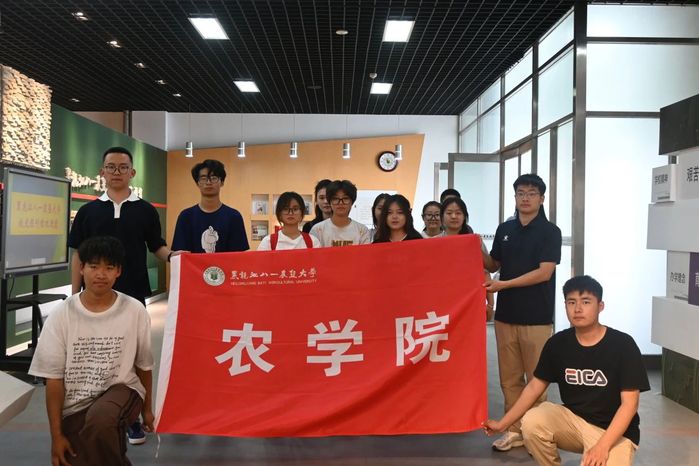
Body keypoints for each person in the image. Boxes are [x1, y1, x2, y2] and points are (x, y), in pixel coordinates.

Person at [68, 146, 179, 444]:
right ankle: (95, 415)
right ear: (102, 171)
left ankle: (133, 418)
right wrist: (74, 294)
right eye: (111, 167)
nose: (116, 172)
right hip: (92, 298)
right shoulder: (88, 212)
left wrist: (175, 258)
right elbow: (78, 255)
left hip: (133, 294)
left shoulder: (145, 210)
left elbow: (156, 246)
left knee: (134, 357)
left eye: (122, 167)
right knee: (95, 357)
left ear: (132, 172)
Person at [483, 275, 650, 466]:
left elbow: (629, 405)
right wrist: (503, 424)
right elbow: (534, 388)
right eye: (571, 302)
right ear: (565, 306)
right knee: (533, 421)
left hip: (615, 432)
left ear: (600, 306)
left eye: (586, 302)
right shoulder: (558, 344)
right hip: (574, 423)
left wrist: (602, 446)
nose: (577, 309)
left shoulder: (622, 345)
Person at [29, 236, 154, 466]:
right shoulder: (61, 315)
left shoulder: (134, 311)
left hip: (123, 390)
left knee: (101, 421)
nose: (101, 274)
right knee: (77, 458)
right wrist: (56, 436)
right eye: (94, 267)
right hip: (76, 406)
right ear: (81, 268)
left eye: (109, 268)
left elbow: (144, 366)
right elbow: (54, 380)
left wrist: (147, 410)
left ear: (118, 271)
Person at [482, 173, 562, 451]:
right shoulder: (506, 229)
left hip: (537, 317)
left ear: (542, 198)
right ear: (514, 197)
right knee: (509, 379)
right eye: (520, 193)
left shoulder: (550, 232)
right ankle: (514, 431)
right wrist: (470, 242)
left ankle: (536, 434)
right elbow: (493, 264)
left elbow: (544, 273)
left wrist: (504, 285)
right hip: (506, 317)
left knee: (536, 380)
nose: (525, 198)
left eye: (531, 193)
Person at [172, 159, 249, 253]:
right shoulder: (185, 217)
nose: (208, 182)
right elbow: (180, 255)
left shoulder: (234, 217)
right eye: (203, 178)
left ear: (222, 182)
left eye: (213, 178)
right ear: (197, 183)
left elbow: (239, 256)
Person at [441, 197, 495, 320]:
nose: (454, 216)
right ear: (442, 217)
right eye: (449, 213)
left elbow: (487, 272)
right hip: (443, 301)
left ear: (465, 217)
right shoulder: (434, 243)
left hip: (470, 302)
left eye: (458, 213)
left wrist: (490, 304)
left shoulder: (474, 241)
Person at [309, 179, 371, 247]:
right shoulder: (317, 230)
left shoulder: (362, 230)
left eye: (345, 198)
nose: (340, 203)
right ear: (330, 202)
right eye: (335, 199)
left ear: (352, 202)